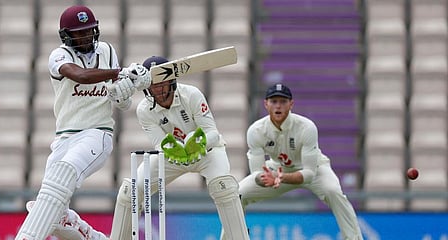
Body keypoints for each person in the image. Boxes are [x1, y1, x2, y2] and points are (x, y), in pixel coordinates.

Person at [15, 5, 151, 240]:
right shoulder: (58, 56)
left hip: (97, 133)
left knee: (65, 171)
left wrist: (126, 89)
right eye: (79, 32)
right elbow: (80, 76)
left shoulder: (107, 50)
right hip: (65, 137)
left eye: (89, 30)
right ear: (66, 35)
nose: (85, 36)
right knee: (51, 210)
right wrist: (119, 73)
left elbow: (121, 102)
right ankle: (84, 231)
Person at [108, 56, 249, 240]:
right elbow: (160, 144)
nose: (157, 89)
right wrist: (172, 149)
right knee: (130, 190)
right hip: (173, 156)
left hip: (206, 152)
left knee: (224, 187)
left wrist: (199, 142)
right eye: (153, 84)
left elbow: (213, 133)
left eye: (162, 83)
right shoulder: (144, 110)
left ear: (172, 80)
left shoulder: (192, 95)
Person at [232, 83, 363, 239]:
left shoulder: (306, 127)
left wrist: (281, 178)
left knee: (333, 192)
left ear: (291, 104)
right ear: (266, 104)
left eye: (283, 101)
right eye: (274, 101)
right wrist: (265, 178)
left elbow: (308, 174)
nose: (278, 106)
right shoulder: (256, 131)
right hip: (277, 169)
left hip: (314, 168)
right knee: (236, 195)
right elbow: (257, 174)